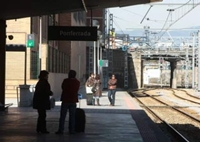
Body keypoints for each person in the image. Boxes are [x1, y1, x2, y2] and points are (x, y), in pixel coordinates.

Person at [55, 70, 80, 134]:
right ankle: (71, 130)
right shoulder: (77, 82)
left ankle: (61, 129)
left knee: (63, 116)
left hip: (65, 100)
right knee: (72, 116)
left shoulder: (65, 81)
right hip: (73, 100)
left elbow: (63, 87)